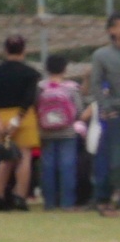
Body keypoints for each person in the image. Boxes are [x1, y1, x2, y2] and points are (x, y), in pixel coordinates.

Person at [0, 34, 41, 210]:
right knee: (24, 156)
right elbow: (30, 98)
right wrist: (19, 118)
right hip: (24, 116)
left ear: (6, 50)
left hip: (1, 117)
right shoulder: (31, 73)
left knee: (5, 157)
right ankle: (20, 197)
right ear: (24, 50)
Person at [36, 53, 89, 210]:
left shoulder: (40, 87)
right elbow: (79, 110)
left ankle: (50, 203)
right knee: (67, 166)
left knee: (48, 167)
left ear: (47, 68)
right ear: (65, 69)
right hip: (67, 132)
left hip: (45, 132)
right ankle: (67, 203)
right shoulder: (71, 87)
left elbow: (35, 107)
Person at [90, 13, 120, 215]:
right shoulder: (102, 55)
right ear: (111, 30)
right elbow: (96, 84)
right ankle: (107, 197)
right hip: (115, 112)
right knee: (113, 157)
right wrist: (106, 106)